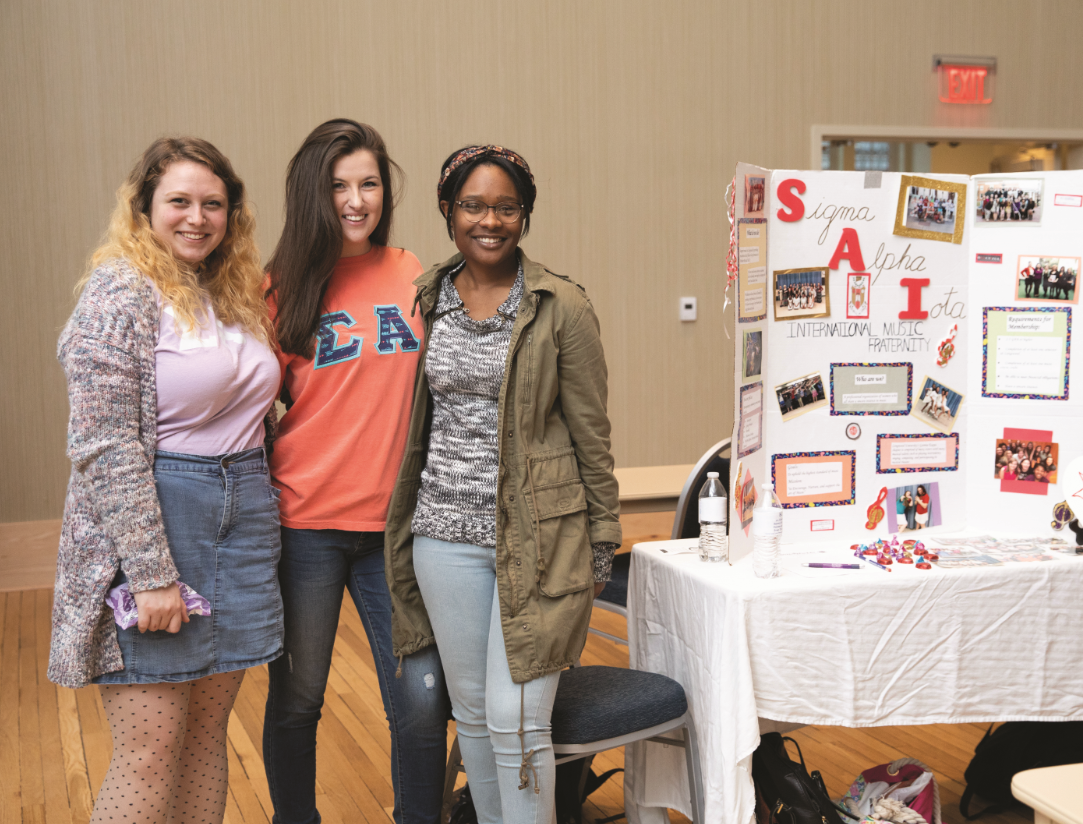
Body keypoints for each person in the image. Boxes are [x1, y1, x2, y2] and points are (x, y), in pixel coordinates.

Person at [384, 145, 621, 823]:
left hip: (541, 537)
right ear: (447, 211)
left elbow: (590, 433)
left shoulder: (560, 305)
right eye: (473, 205)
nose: (490, 220)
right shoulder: (426, 298)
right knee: (477, 718)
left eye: (506, 207)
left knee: (518, 718)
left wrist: (602, 539)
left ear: (525, 214)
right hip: (441, 537)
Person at [49, 137, 283, 824]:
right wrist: (150, 572)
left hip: (244, 519)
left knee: (208, 734)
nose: (197, 217)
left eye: (213, 203)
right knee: (149, 750)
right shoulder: (117, 290)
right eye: (178, 201)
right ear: (143, 207)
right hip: (158, 520)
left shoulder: (230, 290)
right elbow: (104, 444)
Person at [261, 119, 449, 824]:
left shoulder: (411, 272)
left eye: (368, 183)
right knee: (300, 698)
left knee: (420, 701)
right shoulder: (278, 287)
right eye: (339, 185)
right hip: (305, 523)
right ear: (313, 194)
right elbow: (251, 407)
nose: (355, 199)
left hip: (394, 530)